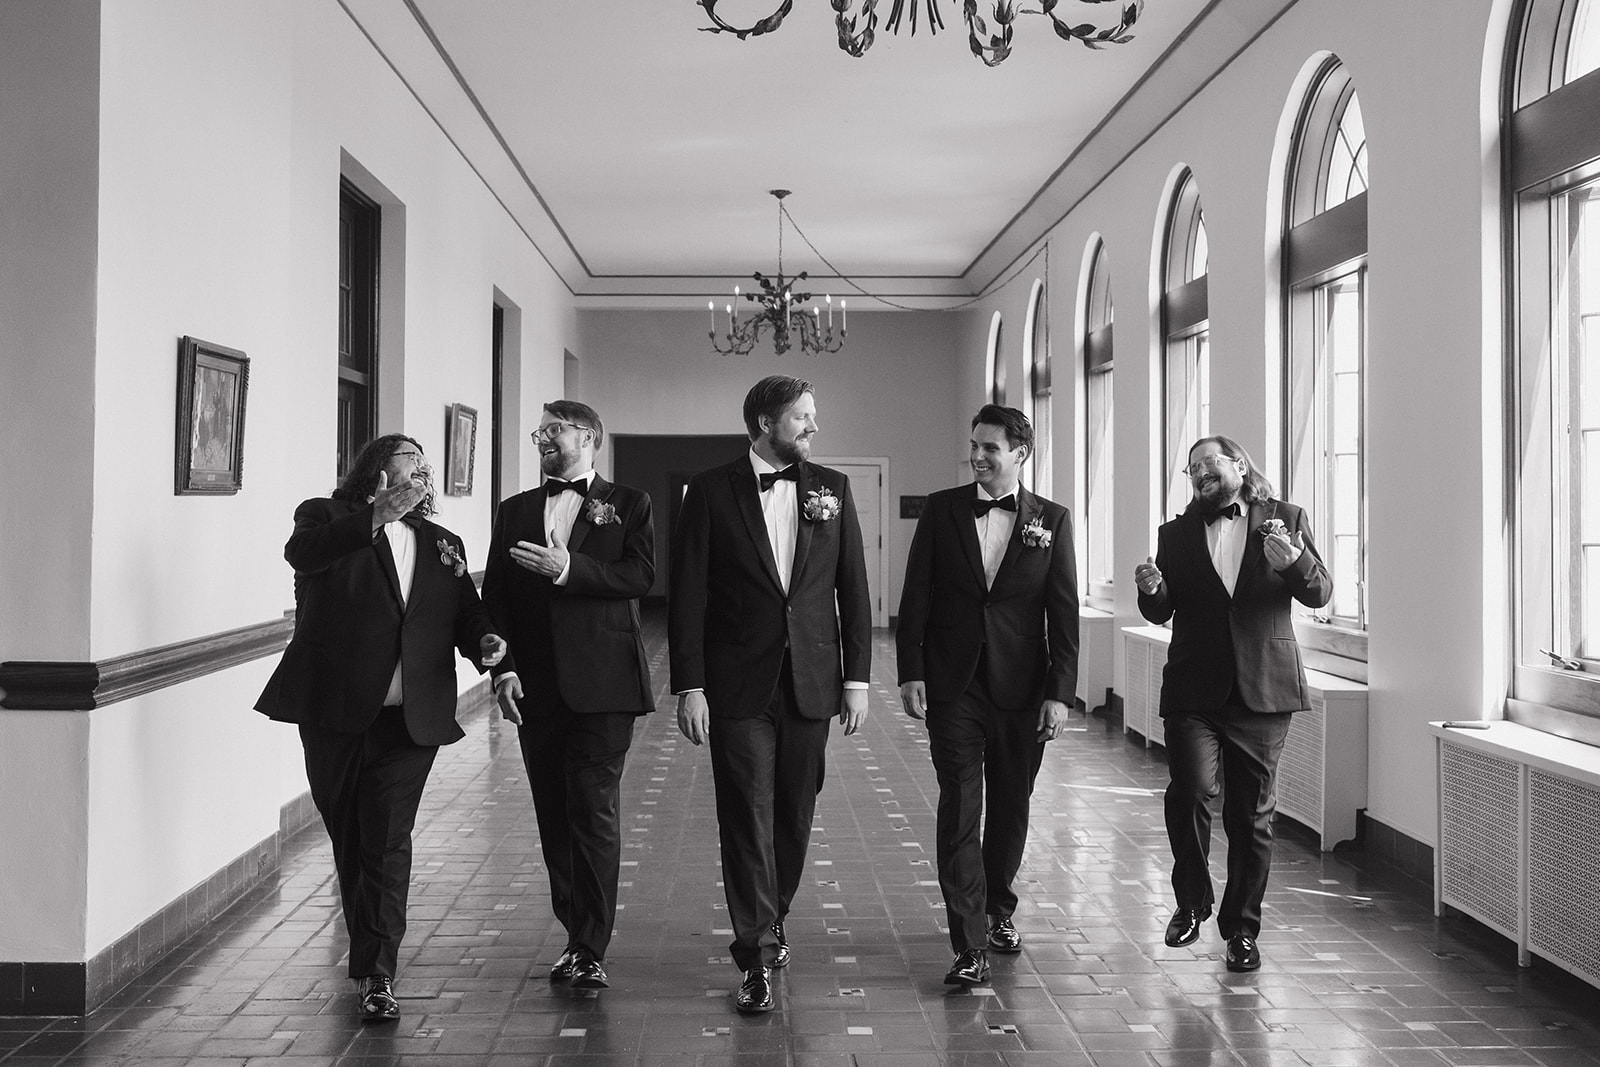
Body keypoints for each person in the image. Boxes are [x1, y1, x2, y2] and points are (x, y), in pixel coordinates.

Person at [255, 434, 514, 1021]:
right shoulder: (326, 518)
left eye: (426, 464)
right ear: (376, 468)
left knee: (388, 840)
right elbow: (304, 556)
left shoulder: (443, 543)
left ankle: (376, 973)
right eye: (411, 459)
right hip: (335, 712)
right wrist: (376, 516)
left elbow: (462, 610)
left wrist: (485, 643)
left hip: (411, 719)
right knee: (351, 835)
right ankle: (369, 946)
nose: (423, 469)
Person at [668, 374, 872, 1015]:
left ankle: (772, 913)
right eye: (802, 418)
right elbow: (688, 597)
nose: (813, 428)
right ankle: (754, 951)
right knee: (744, 813)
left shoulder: (833, 490)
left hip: (812, 681)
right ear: (764, 424)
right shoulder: (707, 491)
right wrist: (690, 685)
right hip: (736, 685)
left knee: (794, 809)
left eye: (813, 417)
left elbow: (854, 591)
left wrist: (856, 679)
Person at [895, 404, 1079, 987]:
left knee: (1011, 806)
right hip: (953, 685)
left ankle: (999, 906)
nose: (977, 456)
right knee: (959, 807)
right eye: (974, 445)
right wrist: (910, 670)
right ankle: (967, 942)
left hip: (1023, 689)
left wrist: (1061, 694)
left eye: (990, 448)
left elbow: (1063, 611)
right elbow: (915, 591)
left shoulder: (1052, 519)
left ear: (1020, 453)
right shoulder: (944, 510)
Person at [1134, 434, 1332, 973]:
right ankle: (1191, 899)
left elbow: (1319, 592)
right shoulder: (1173, 534)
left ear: (1238, 465)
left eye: (1208, 464)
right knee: (1190, 790)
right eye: (1191, 468)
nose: (1198, 473)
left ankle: (1241, 930)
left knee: (1250, 816)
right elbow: (1162, 610)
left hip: (1262, 690)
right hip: (1193, 688)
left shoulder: (1285, 517)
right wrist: (1152, 590)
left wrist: (1293, 562)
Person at [481, 400, 654, 992]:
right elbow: (497, 595)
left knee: (594, 807)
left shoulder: (629, 504)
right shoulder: (514, 511)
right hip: (535, 688)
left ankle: (590, 944)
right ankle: (574, 929)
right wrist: (502, 669)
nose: (543, 439)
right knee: (554, 812)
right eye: (540, 432)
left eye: (555, 430)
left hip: (605, 684)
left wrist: (567, 569)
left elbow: (640, 576)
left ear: (591, 438)